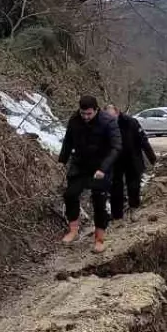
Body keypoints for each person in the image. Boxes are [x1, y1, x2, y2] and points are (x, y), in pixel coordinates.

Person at [58, 96, 121, 253]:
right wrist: (62, 161)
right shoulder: (75, 120)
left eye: (89, 114)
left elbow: (116, 147)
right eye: (83, 113)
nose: (85, 117)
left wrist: (103, 168)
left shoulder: (108, 121)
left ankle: (99, 239)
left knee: (99, 201)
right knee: (70, 194)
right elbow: (68, 141)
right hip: (80, 164)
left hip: (101, 166)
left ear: (96, 110)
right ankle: (73, 229)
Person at [105, 104, 158, 221]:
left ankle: (134, 210)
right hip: (116, 160)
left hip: (132, 158)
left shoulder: (131, 122)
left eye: (112, 117)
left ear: (117, 113)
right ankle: (117, 215)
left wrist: (152, 159)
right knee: (115, 187)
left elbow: (143, 140)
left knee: (133, 186)